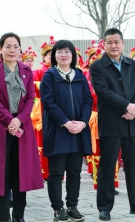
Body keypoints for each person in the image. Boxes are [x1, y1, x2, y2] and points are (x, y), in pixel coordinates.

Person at [89, 28, 135, 221]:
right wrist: (126, 106)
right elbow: (103, 92)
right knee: (108, 166)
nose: (113, 46)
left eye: (117, 42)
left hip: (132, 124)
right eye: (109, 42)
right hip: (111, 123)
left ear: (123, 43)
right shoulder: (98, 66)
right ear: (104, 44)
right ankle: (105, 207)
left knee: (133, 166)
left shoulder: (132, 64)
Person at [40, 40, 93, 221]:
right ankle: (57, 209)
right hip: (58, 131)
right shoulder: (50, 76)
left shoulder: (79, 75)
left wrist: (82, 122)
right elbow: (48, 102)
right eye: (60, 52)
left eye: (67, 52)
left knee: (74, 172)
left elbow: (88, 100)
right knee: (56, 173)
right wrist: (65, 122)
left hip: (78, 130)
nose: (64, 55)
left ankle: (72, 206)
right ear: (54, 55)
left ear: (73, 55)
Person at [0, 32, 44, 222]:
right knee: (0, 174)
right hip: (0, 127)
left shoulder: (26, 71)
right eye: (8, 46)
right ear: (1, 49)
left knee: (20, 172)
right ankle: (3, 216)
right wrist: (9, 120)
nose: (12, 50)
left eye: (15, 46)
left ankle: (19, 216)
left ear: (20, 49)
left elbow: (31, 97)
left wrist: (20, 119)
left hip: (22, 128)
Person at [32, 36, 57, 181]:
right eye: (50, 54)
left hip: (58, 107)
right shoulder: (37, 72)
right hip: (41, 108)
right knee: (41, 140)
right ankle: (42, 172)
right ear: (44, 56)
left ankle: (56, 172)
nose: (53, 56)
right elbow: (34, 89)